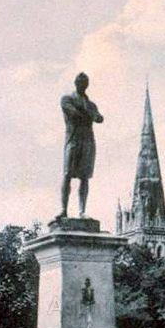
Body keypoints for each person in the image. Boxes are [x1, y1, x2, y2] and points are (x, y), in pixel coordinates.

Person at [58, 72, 103, 218]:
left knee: (85, 177)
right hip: (73, 139)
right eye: (80, 82)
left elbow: (99, 118)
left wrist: (91, 113)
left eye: (85, 83)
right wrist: (90, 114)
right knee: (67, 174)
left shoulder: (91, 104)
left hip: (87, 141)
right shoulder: (67, 99)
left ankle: (82, 211)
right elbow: (74, 114)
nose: (83, 85)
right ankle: (63, 209)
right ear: (75, 83)